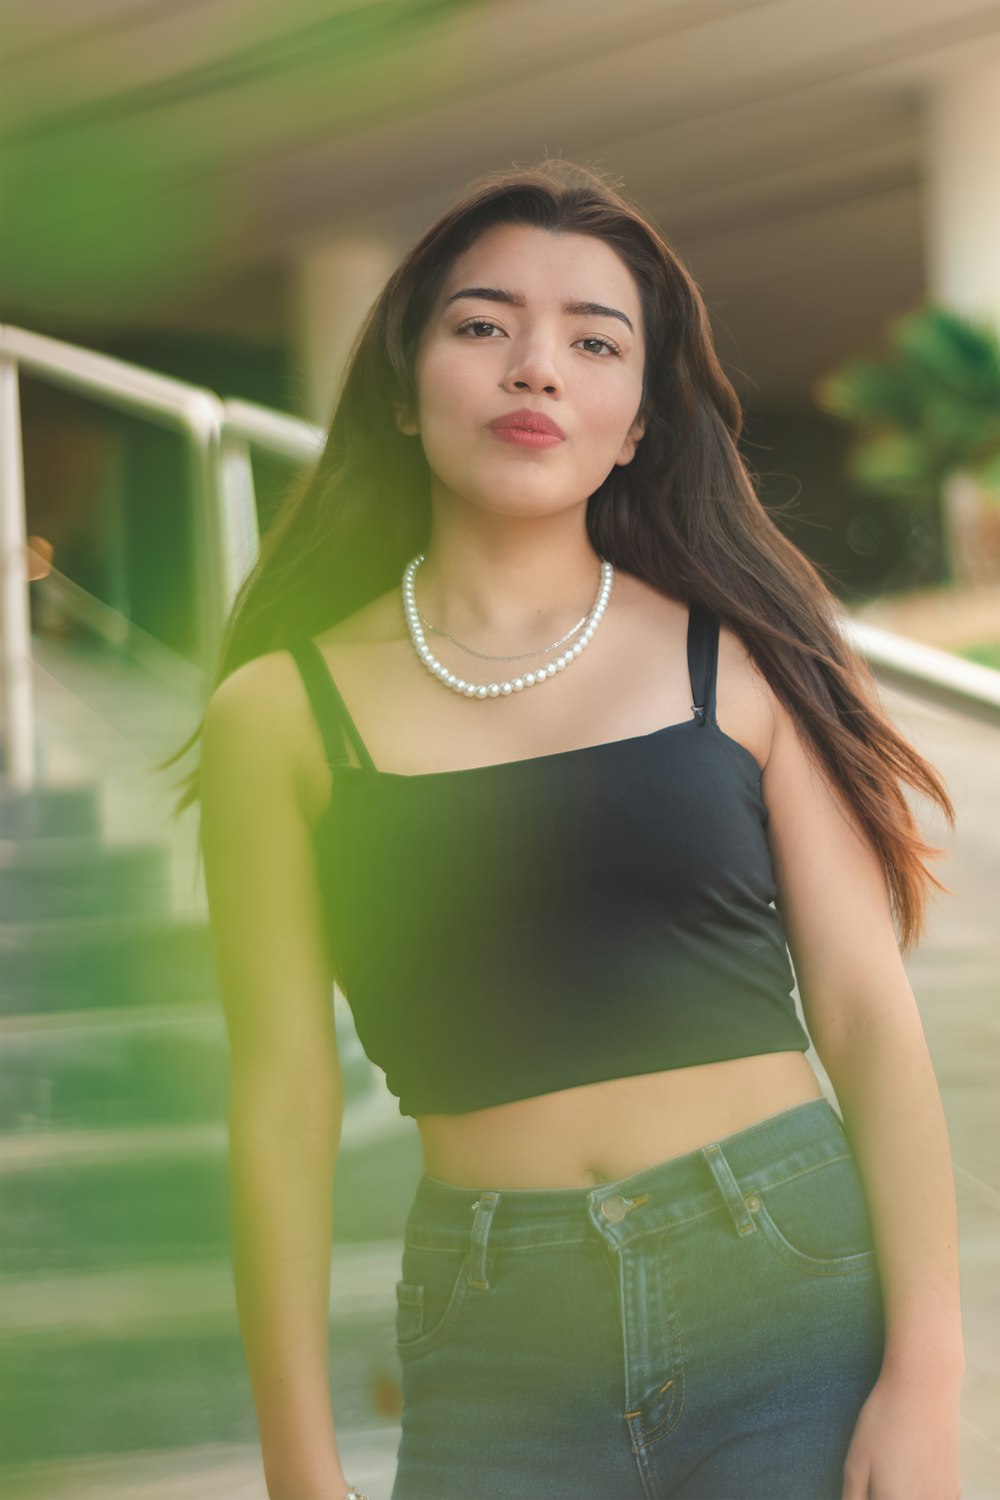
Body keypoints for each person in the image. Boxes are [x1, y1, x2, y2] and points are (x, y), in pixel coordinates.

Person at [170, 159, 965, 1499]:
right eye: (484, 326)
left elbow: (871, 1020)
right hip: (496, 1331)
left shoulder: (747, 657)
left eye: (593, 342)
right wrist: (297, 1467)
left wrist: (926, 1376)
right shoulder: (280, 718)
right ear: (407, 392)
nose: (536, 368)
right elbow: (284, 1101)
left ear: (638, 421)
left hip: (787, 1286)